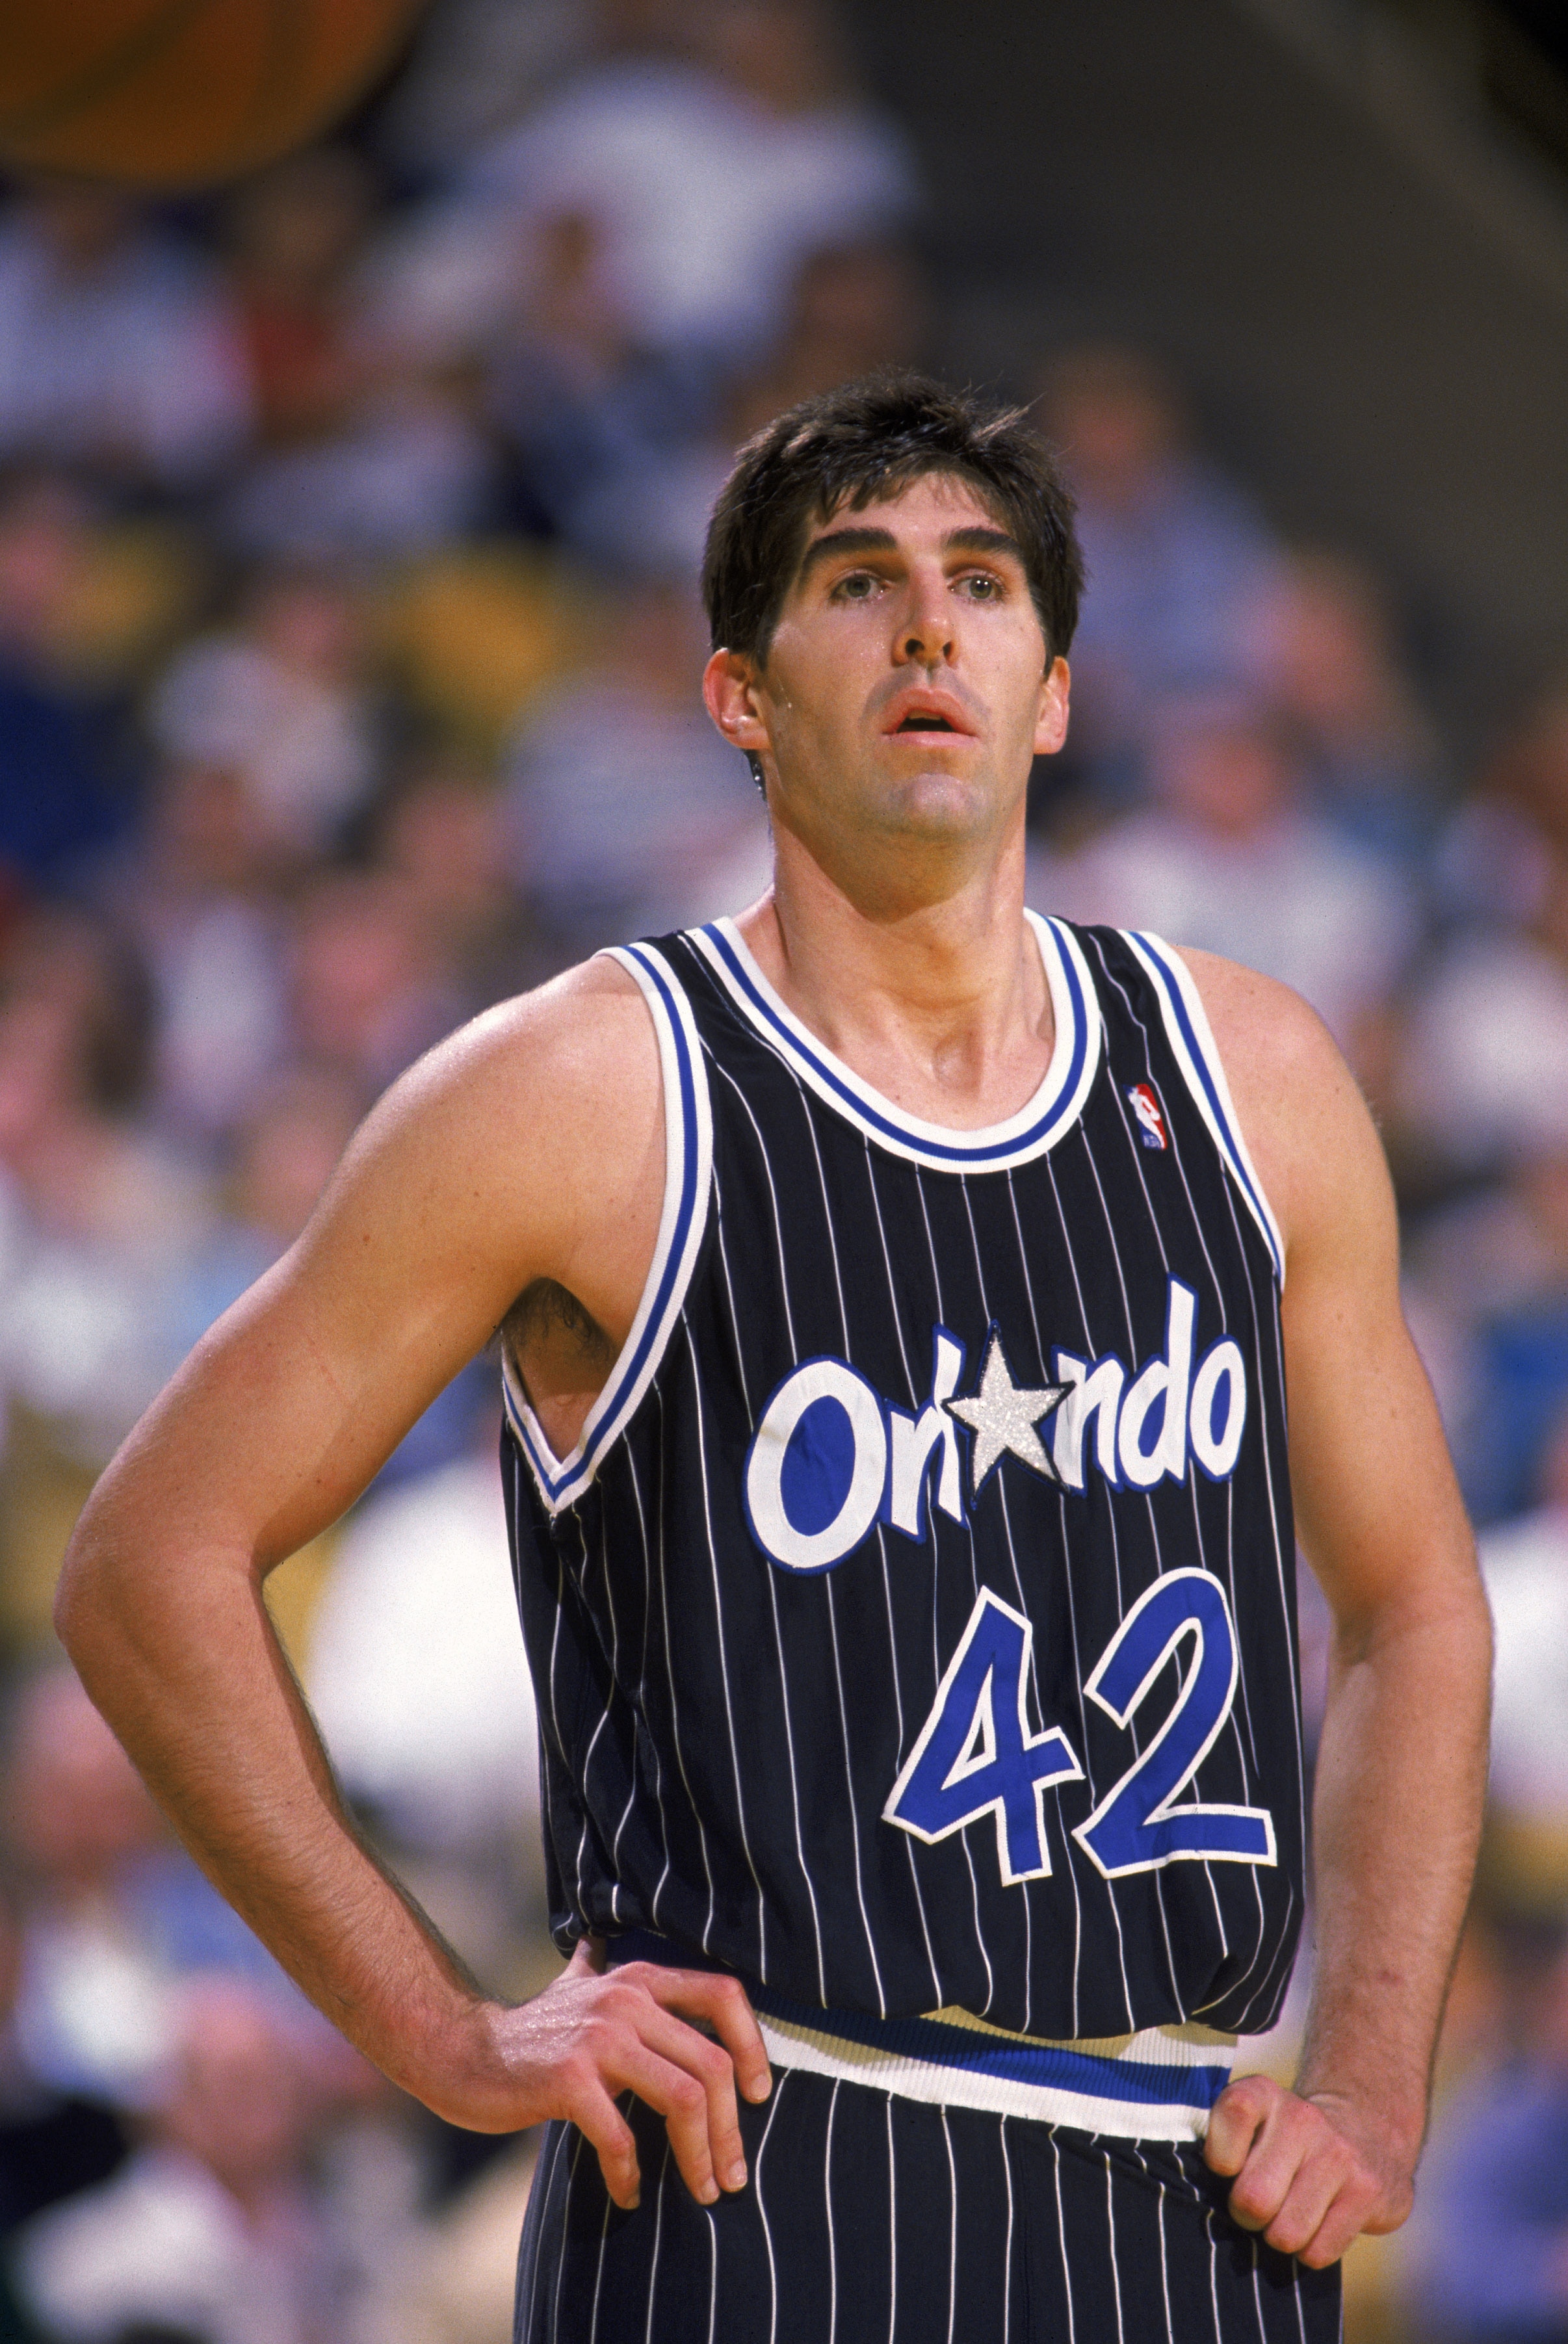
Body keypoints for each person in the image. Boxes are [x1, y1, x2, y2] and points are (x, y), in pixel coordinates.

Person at [54, 377, 1490, 2341]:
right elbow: (145, 1565)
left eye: (980, 586)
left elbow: (1411, 1599)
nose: (926, 628)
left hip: (1201, 2197)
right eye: (858, 581)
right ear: (740, 695)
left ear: (1053, 690)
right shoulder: (579, 1094)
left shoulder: (1253, 1074)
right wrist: (444, 2032)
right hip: (765, 2179)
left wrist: (1372, 2084)